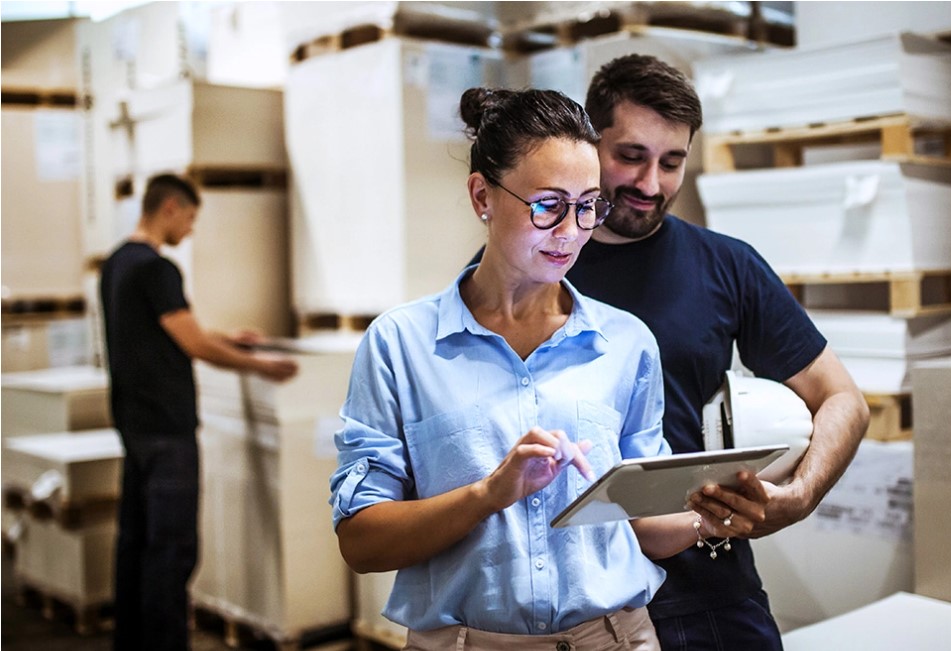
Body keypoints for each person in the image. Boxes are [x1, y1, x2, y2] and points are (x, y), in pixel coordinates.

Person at [329, 87, 732, 651]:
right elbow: (362, 544)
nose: (571, 232)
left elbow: (641, 523)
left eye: (589, 204)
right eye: (548, 204)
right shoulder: (401, 345)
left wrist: (712, 515)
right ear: (482, 196)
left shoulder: (625, 343)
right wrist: (490, 493)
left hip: (615, 639)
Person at [570, 54, 872, 650]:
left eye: (672, 162)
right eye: (630, 156)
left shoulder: (726, 264)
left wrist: (799, 496)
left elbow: (843, 400)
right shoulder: (537, 264)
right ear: (588, 139)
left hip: (707, 589)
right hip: (575, 597)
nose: (650, 184)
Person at [100, 173, 299, 650]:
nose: (189, 230)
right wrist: (260, 366)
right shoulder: (157, 269)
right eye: (189, 218)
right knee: (172, 552)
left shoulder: (116, 264)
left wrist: (228, 337)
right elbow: (191, 344)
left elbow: (164, 332)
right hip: (168, 431)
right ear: (169, 208)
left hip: (134, 428)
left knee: (136, 544)